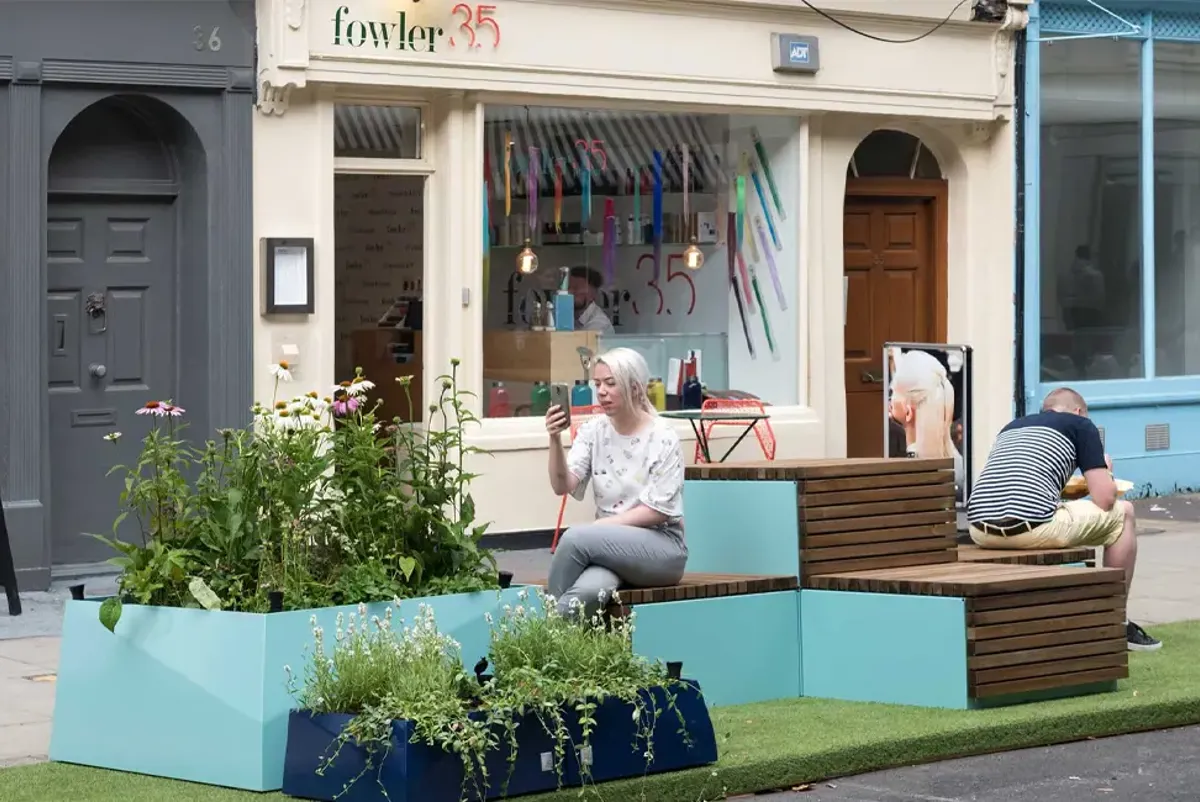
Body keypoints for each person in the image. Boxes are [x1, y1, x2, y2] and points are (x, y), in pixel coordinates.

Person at [967, 387, 1160, 651]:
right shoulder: (1082, 425)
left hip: (979, 529)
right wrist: (1108, 474)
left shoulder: (1011, 427)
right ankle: (1116, 621)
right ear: (1079, 411)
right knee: (1124, 514)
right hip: (1030, 529)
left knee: (1061, 515)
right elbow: (1104, 499)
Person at [544, 347, 687, 619]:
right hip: (607, 547)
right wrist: (554, 439)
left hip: (662, 548)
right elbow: (562, 485)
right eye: (597, 384)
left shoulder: (663, 436)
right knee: (584, 595)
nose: (601, 392)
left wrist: (600, 528)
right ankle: (548, 649)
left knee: (575, 537)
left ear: (635, 387)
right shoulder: (593, 432)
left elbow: (658, 510)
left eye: (610, 383)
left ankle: (535, 639)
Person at [889, 349, 965, 494]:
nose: (890, 400)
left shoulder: (908, 468)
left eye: (893, 394)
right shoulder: (957, 465)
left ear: (908, 412)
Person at [567, 266, 614, 334]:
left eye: (576, 288)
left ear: (593, 294)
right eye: (568, 287)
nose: (569, 292)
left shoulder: (599, 323)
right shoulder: (568, 316)